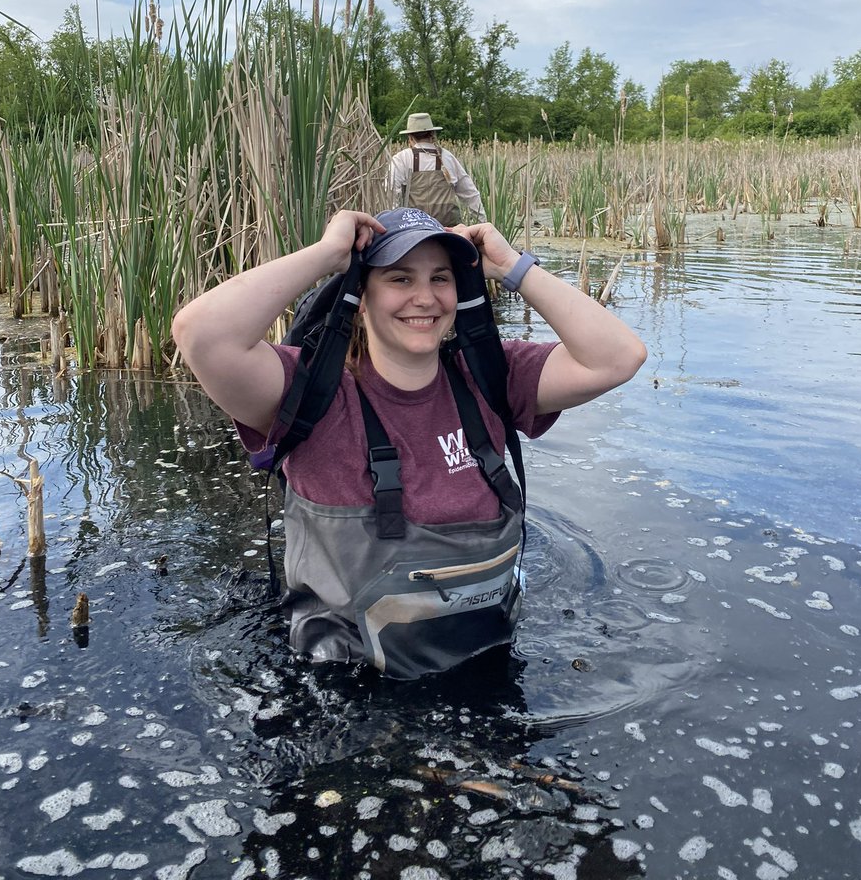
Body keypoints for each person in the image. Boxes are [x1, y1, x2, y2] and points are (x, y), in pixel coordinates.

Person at [171, 207, 647, 679]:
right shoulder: (309, 392)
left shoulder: (492, 374)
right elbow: (202, 334)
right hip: (346, 693)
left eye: (441, 278)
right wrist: (327, 254)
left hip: (487, 666)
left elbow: (619, 357)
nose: (425, 298)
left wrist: (511, 267)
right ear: (362, 295)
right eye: (400, 279)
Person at [389, 112, 486, 225]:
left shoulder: (401, 158)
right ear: (432, 134)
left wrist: (393, 226)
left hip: (416, 228)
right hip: (449, 229)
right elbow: (470, 193)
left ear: (410, 137)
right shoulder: (447, 157)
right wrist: (483, 222)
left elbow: (392, 195)